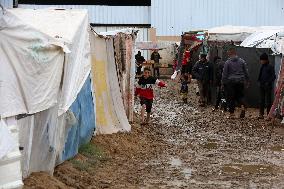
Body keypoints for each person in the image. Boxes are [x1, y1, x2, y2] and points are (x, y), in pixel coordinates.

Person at [222, 48, 249, 119]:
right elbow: (246, 72)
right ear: (235, 53)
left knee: (231, 98)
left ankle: (232, 114)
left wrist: (223, 82)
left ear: (230, 54)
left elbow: (224, 74)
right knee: (240, 96)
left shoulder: (227, 62)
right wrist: (247, 80)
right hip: (240, 81)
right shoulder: (242, 61)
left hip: (231, 82)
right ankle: (242, 107)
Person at [257, 53, 276, 119]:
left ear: (265, 60)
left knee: (268, 101)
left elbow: (273, 77)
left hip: (268, 86)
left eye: (262, 60)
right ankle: (261, 114)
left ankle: (269, 114)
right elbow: (260, 74)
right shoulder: (262, 66)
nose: (261, 61)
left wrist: (268, 82)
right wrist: (259, 81)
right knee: (261, 100)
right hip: (262, 85)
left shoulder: (270, 67)